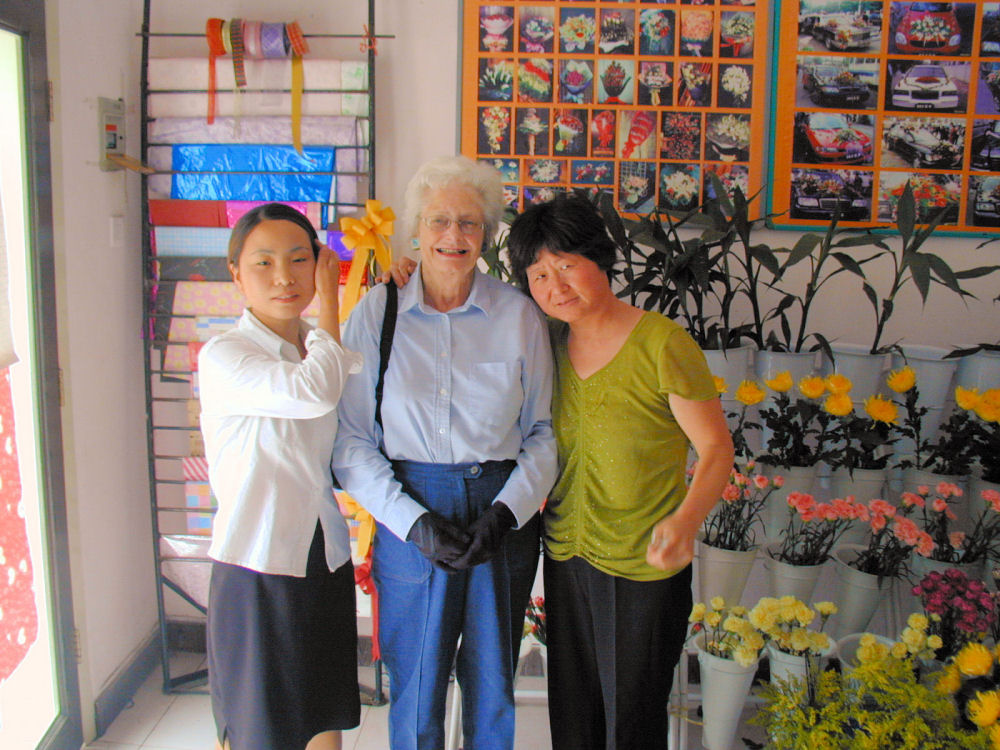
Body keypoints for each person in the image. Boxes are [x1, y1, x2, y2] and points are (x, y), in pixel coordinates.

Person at [332, 156, 557, 750]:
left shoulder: (518, 316)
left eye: (469, 222)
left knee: (491, 685)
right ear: (415, 230)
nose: (453, 236)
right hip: (410, 510)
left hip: (500, 511)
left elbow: (544, 432)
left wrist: (508, 514)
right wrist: (413, 522)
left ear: (486, 233)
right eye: (438, 221)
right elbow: (351, 440)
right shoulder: (376, 314)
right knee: (417, 683)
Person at [508, 195, 734, 750]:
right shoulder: (546, 343)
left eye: (565, 265)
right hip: (566, 555)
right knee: (574, 714)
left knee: (631, 720)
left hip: (643, 564)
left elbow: (715, 450)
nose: (555, 286)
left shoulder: (662, 343)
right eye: (538, 275)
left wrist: (685, 522)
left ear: (599, 258)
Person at [199, 203, 363, 750]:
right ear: (236, 274)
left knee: (322, 716)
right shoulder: (225, 354)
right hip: (257, 563)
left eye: (299, 260)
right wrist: (333, 302)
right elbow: (314, 389)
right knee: (258, 729)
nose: (284, 277)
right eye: (263, 263)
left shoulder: (320, 352)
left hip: (322, 554)